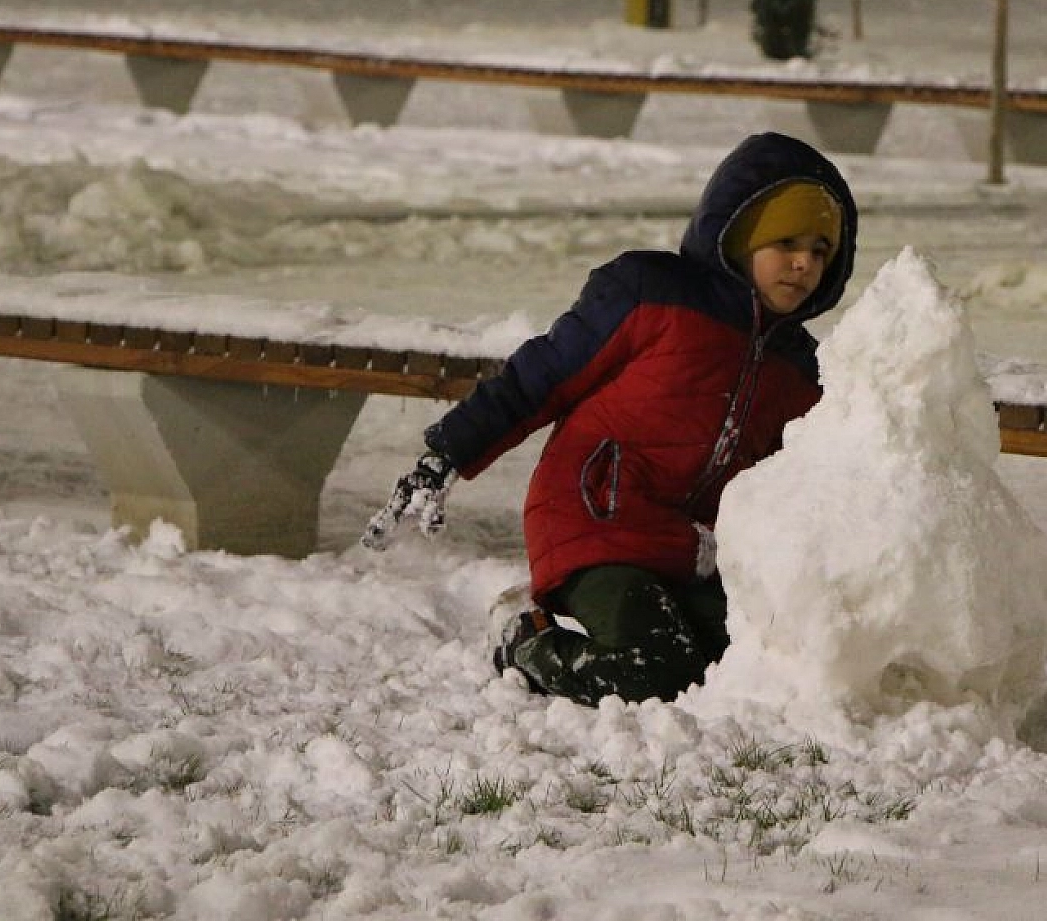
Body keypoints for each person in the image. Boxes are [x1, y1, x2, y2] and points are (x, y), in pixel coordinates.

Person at [360, 132, 859, 705]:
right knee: (651, 669)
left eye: (820, 249)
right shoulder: (652, 295)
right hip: (597, 522)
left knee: (746, 663)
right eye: (786, 241)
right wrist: (449, 453)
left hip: (692, 551)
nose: (803, 263)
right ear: (740, 235)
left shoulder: (799, 367)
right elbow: (540, 376)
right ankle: (525, 639)